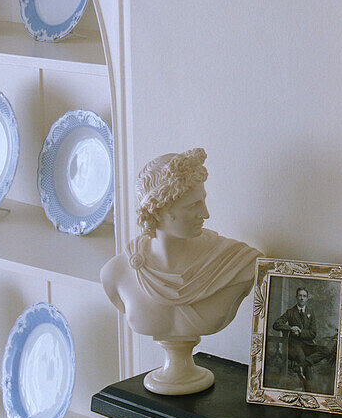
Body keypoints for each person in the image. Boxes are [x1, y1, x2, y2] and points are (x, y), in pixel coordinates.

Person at [101, 148, 261, 351]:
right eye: (193, 205)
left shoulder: (236, 262)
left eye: (203, 201)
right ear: (158, 211)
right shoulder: (116, 273)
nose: (205, 213)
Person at [273, 287, 316, 380]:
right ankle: (309, 383)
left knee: (323, 351)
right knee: (302, 356)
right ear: (296, 297)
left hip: (307, 344)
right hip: (294, 345)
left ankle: (303, 374)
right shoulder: (290, 312)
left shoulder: (310, 312)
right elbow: (276, 324)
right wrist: (290, 328)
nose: (302, 298)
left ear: (307, 298)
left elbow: (313, 333)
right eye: (300, 295)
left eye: (304, 296)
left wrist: (301, 332)